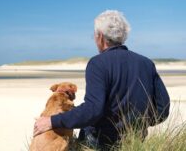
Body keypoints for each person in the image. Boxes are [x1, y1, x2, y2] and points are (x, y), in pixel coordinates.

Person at [33, 10, 170, 150]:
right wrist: (138, 126)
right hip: (136, 142)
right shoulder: (146, 63)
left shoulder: (98, 63)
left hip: (101, 143)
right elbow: (162, 109)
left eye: (94, 34)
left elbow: (93, 110)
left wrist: (53, 121)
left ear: (100, 36)